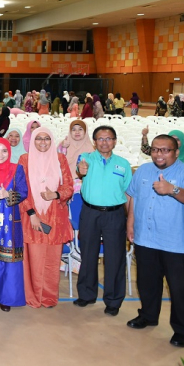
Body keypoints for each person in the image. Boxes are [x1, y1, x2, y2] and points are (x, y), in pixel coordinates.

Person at [125, 134, 184, 347]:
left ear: (176, 152)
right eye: (155, 149)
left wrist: (173, 190)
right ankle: (148, 316)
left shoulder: (182, 170)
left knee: (179, 289)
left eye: (165, 150)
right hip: (145, 238)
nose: (159, 154)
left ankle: (181, 330)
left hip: (175, 241)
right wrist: (130, 223)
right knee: (147, 282)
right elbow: (133, 198)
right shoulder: (143, 170)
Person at [73, 125, 132, 316]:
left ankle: (113, 300)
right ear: (95, 141)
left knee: (115, 258)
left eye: (108, 138)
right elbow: (80, 170)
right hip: (90, 213)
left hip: (115, 215)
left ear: (114, 141)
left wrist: (130, 219)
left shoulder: (123, 164)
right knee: (88, 254)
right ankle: (87, 294)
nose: (104, 142)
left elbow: (128, 194)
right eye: (100, 139)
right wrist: (80, 170)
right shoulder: (86, 159)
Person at [17, 127, 73, 308]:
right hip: (31, 216)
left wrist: (55, 195)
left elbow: (69, 186)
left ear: (52, 141)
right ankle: (32, 297)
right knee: (33, 259)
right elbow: (20, 190)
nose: (42, 142)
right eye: (39, 138)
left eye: (47, 138)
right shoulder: (24, 160)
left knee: (51, 260)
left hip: (55, 215)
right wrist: (32, 213)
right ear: (32, 140)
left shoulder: (60, 159)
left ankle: (49, 297)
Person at [0, 138, 28, 311]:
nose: (0, 154)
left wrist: (7, 195)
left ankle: (7, 296)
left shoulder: (17, 169)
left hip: (11, 221)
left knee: (9, 258)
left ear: (9, 152)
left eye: (4, 151)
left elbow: (23, 192)